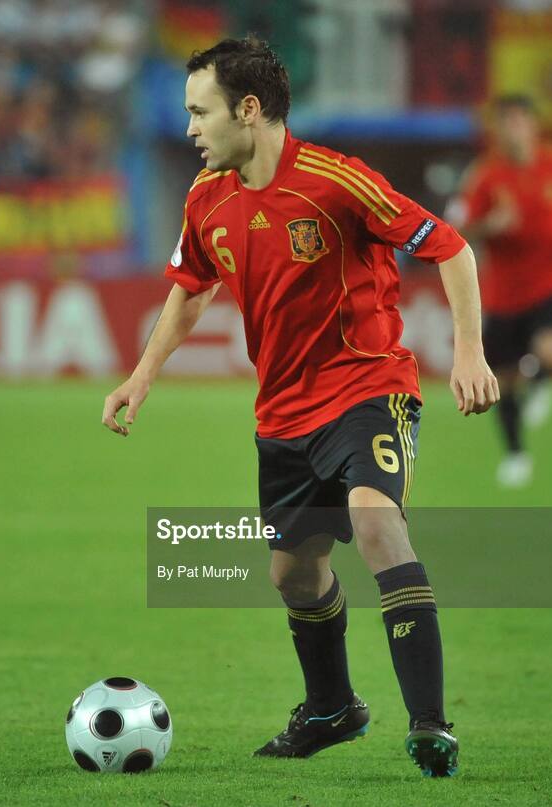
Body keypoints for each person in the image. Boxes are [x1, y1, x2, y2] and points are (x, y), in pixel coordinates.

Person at [102, 36, 498, 777]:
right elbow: (191, 288)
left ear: (248, 110)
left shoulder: (337, 182)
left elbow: (450, 247)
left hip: (367, 388)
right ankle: (332, 708)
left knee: (376, 522)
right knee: (292, 575)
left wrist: (469, 353)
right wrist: (142, 375)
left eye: (201, 112)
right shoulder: (206, 198)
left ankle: (431, 725)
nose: (190, 128)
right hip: (283, 414)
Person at [451, 95, 552, 488]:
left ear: (533, 125)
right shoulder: (485, 175)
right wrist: (490, 224)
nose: (513, 129)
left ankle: (539, 381)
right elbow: (456, 230)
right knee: (502, 383)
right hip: (504, 293)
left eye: (519, 121)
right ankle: (516, 454)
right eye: (506, 122)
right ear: (497, 130)